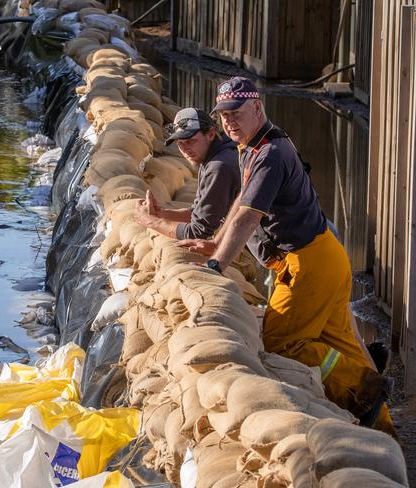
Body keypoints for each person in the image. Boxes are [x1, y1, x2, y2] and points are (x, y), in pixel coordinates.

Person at [179, 76, 395, 434]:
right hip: (323, 256)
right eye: (223, 115)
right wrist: (217, 243)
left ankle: (362, 389)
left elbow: (248, 217)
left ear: (257, 108)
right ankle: (383, 430)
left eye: (236, 112)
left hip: (308, 262)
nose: (229, 121)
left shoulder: (270, 154)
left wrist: (218, 265)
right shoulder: (252, 146)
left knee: (282, 343)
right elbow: (242, 203)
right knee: (337, 342)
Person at [134, 108, 240, 240]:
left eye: (190, 141)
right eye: (180, 144)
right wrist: (161, 213)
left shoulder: (218, 166)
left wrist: (151, 222)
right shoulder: (213, 155)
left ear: (211, 134)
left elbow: (200, 231)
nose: (185, 150)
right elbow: (198, 213)